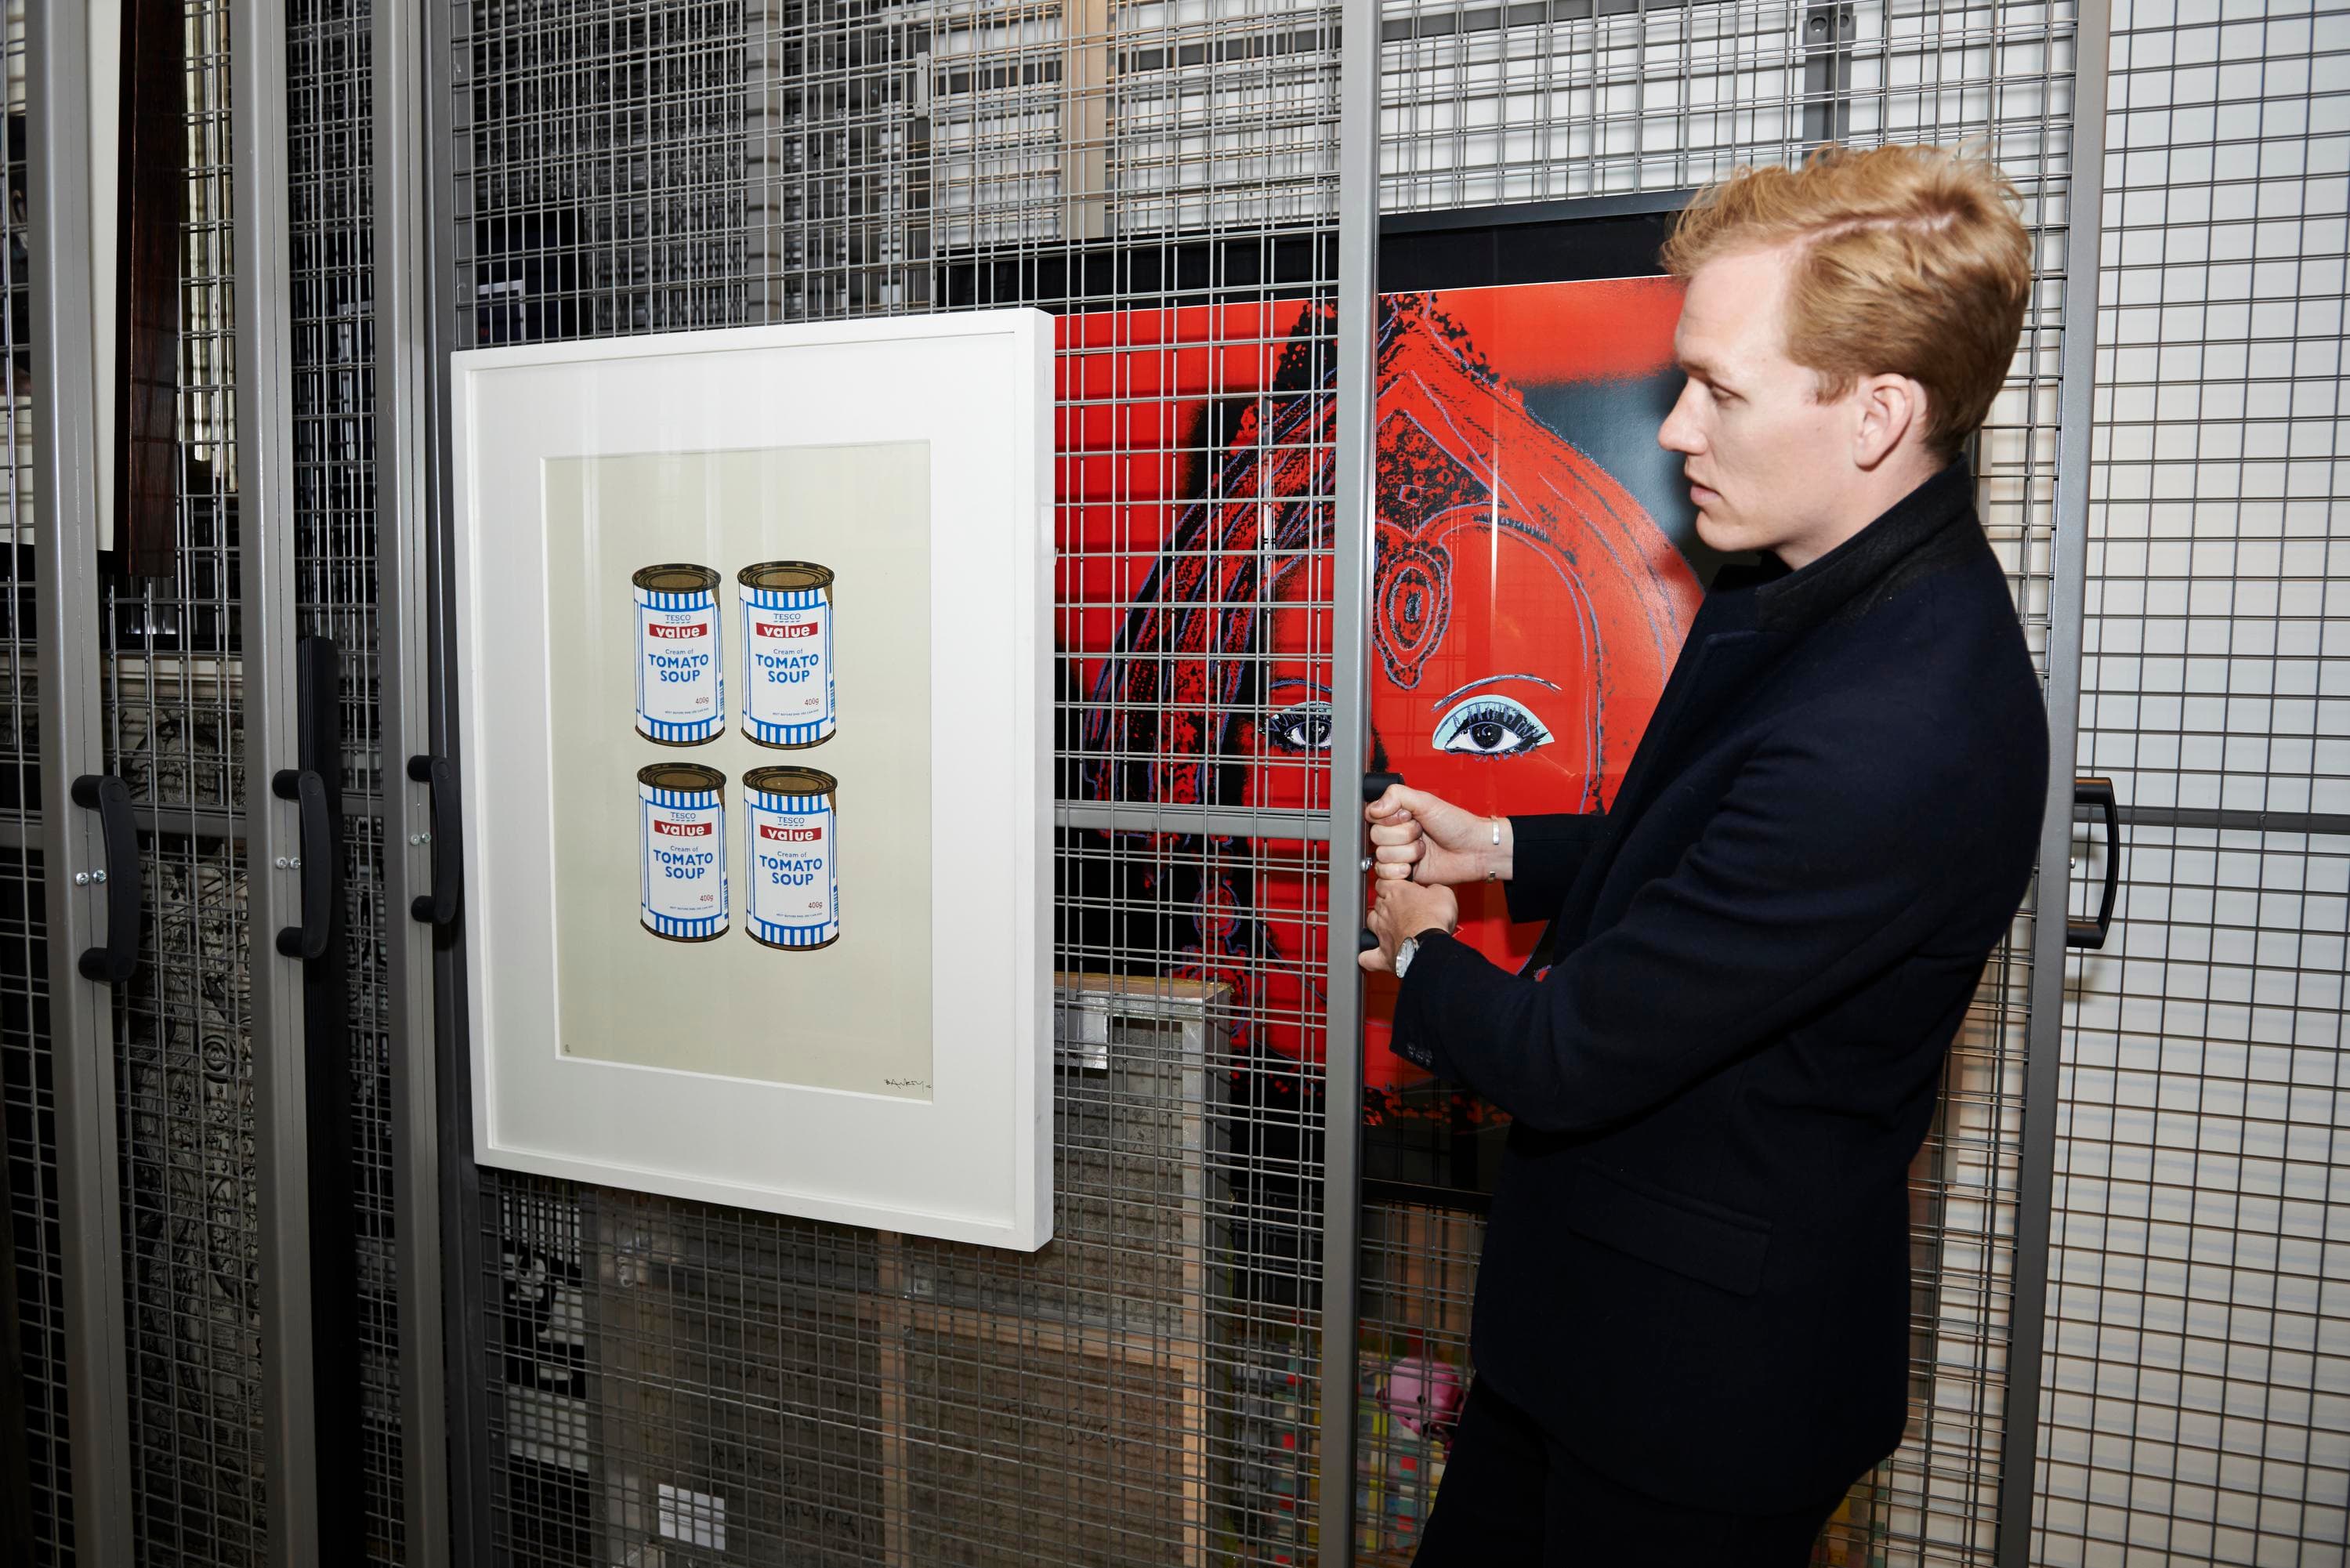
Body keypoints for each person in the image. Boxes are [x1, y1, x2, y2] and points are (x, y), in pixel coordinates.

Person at [1358, 143, 2050, 1563]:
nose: (1676, 429)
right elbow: (1713, 849)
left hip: (1692, 1402)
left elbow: (1570, 1052)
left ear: (1879, 413)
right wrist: (1506, 846)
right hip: (1589, 1332)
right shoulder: (1821, 589)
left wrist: (1423, 949)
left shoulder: (1904, 723)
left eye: (1720, 390)